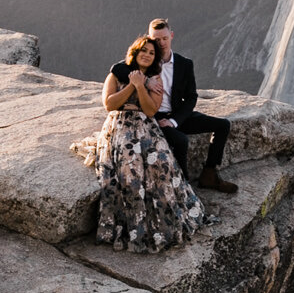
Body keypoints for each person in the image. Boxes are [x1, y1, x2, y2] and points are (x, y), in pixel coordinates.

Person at [93, 35, 206, 252]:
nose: (147, 55)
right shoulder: (116, 74)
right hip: (119, 125)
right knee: (130, 169)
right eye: (143, 50)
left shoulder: (156, 79)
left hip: (145, 125)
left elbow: (151, 110)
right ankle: (134, 226)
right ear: (135, 52)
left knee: (162, 164)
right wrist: (133, 85)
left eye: (152, 53)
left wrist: (142, 86)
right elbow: (110, 104)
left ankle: (166, 217)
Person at [145, 16, 238, 194]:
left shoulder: (184, 64)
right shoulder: (145, 61)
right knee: (182, 141)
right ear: (150, 40)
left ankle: (209, 174)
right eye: (157, 40)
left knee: (223, 125)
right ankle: (184, 186)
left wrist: (174, 121)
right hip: (153, 118)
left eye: (165, 38)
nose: (162, 43)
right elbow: (118, 68)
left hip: (177, 116)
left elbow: (191, 98)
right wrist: (145, 81)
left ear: (171, 36)